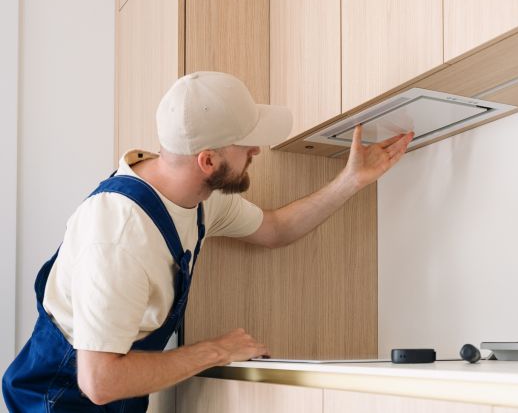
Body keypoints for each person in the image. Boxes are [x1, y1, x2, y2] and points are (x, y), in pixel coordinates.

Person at [2, 71, 413, 412]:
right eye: (245, 143)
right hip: (58, 400)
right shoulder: (120, 235)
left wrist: (350, 181)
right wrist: (215, 350)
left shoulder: (196, 199)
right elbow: (100, 381)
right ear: (208, 161)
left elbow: (273, 229)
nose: (256, 149)